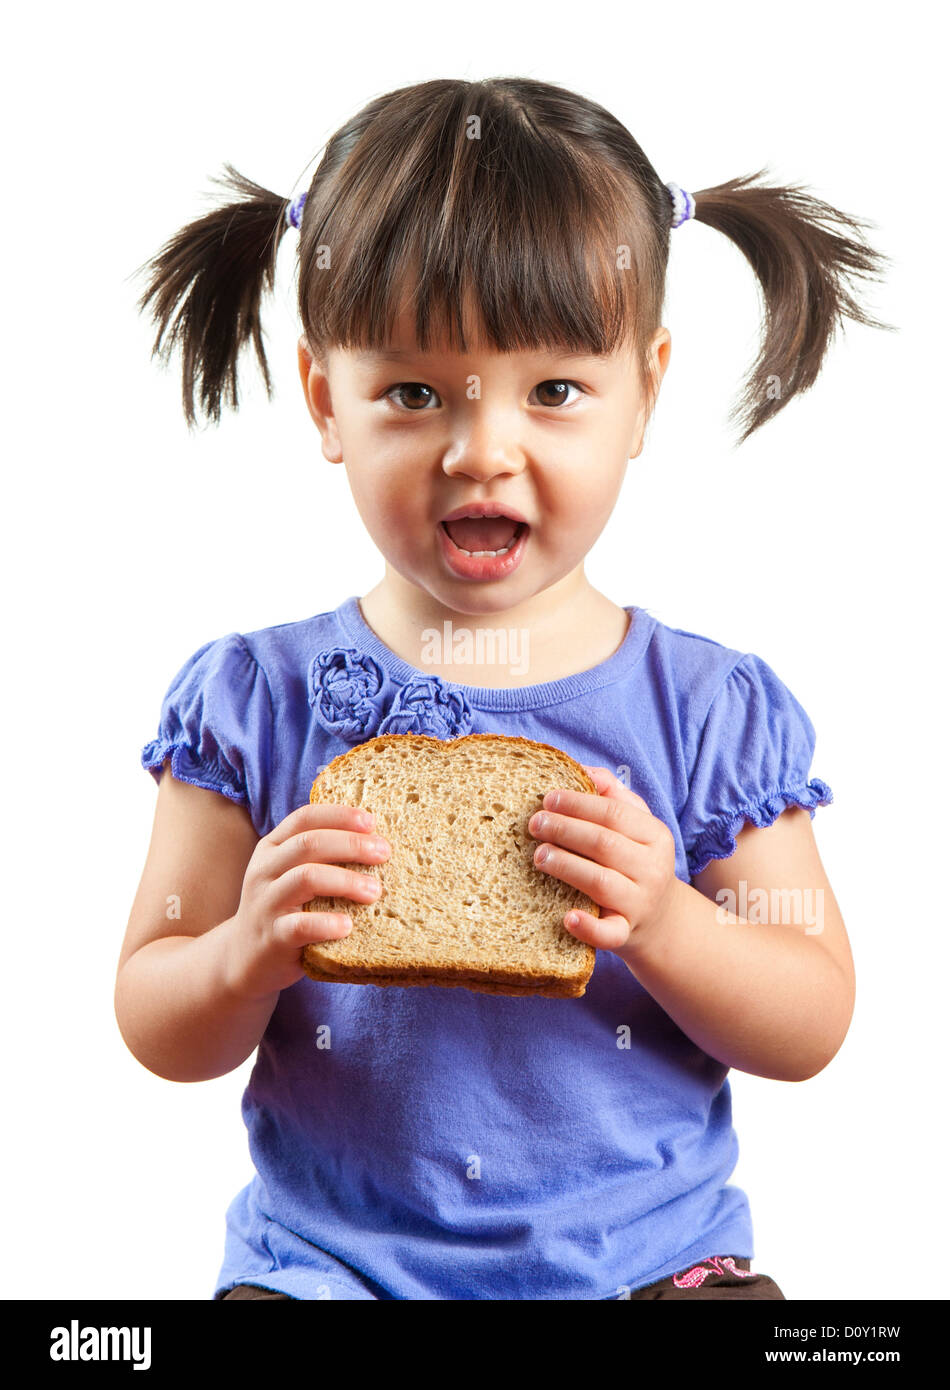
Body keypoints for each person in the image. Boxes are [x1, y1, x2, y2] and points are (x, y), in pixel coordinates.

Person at [117, 76, 887, 1301]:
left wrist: (668, 921)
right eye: (414, 392)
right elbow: (154, 1011)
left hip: (648, 1266)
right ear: (327, 399)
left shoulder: (704, 707)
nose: (482, 448)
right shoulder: (253, 696)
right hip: (332, 1268)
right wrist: (245, 952)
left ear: (644, 391)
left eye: (554, 390)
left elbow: (811, 1015)